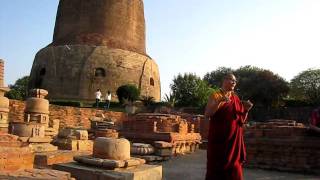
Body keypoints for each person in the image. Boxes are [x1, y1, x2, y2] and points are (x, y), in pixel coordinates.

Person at [204, 73, 253, 180]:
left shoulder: (235, 98)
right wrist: (219, 101)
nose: (234, 82)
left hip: (233, 142)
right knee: (217, 168)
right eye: (232, 80)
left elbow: (241, 120)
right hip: (219, 140)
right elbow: (208, 114)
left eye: (235, 81)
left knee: (235, 169)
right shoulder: (216, 95)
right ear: (225, 80)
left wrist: (246, 110)